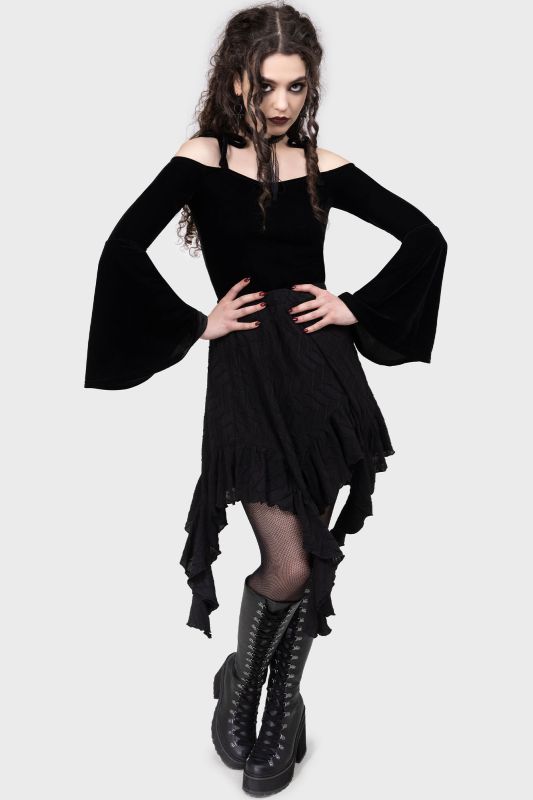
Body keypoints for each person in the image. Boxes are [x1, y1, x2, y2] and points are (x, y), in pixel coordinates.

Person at [83, 2, 447, 794]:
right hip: (247, 373)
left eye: (296, 86)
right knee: (287, 561)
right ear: (235, 79)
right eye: (266, 83)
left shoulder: (321, 164)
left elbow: (426, 238)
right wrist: (198, 323)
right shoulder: (203, 157)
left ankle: (280, 701)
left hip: (322, 374)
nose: (281, 102)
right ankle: (244, 684)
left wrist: (352, 307)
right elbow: (121, 246)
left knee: (310, 554)